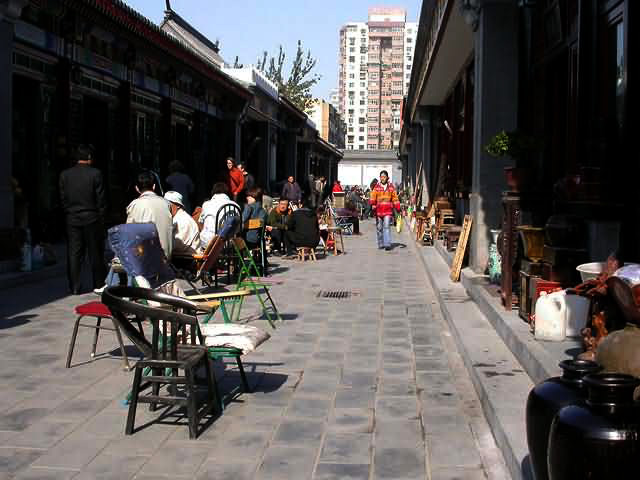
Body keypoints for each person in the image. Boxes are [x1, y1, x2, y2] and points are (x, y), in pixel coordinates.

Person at [59, 144, 106, 294]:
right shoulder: (96, 174)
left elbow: (63, 198)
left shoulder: (65, 175)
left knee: (74, 253)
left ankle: (74, 286)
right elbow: (101, 199)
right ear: (89, 158)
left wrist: (69, 211)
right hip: (91, 216)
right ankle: (98, 284)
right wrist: (102, 218)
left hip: (72, 217)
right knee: (95, 253)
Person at [126, 170, 174, 259]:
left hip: (146, 261)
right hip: (166, 258)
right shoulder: (167, 204)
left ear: (136, 188)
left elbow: (128, 235)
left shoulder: (134, 205)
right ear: (154, 186)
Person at [199, 182, 240, 249]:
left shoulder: (206, 204)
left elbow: (201, 223)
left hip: (208, 243)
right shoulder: (235, 205)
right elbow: (239, 227)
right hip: (228, 243)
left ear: (213, 192)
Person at [370, 170, 400, 251]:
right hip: (379, 211)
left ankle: (387, 244)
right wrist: (372, 203)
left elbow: (395, 198)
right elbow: (373, 196)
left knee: (386, 226)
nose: (382, 178)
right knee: (379, 228)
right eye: (381, 177)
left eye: (384, 177)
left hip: (387, 211)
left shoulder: (391, 187)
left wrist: (398, 207)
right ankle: (380, 243)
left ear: (387, 177)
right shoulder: (376, 187)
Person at [164, 191, 201, 255]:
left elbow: (179, 245)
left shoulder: (183, 220)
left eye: (167, 204)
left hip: (187, 259)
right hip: (180, 256)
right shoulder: (176, 218)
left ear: (178, 205)